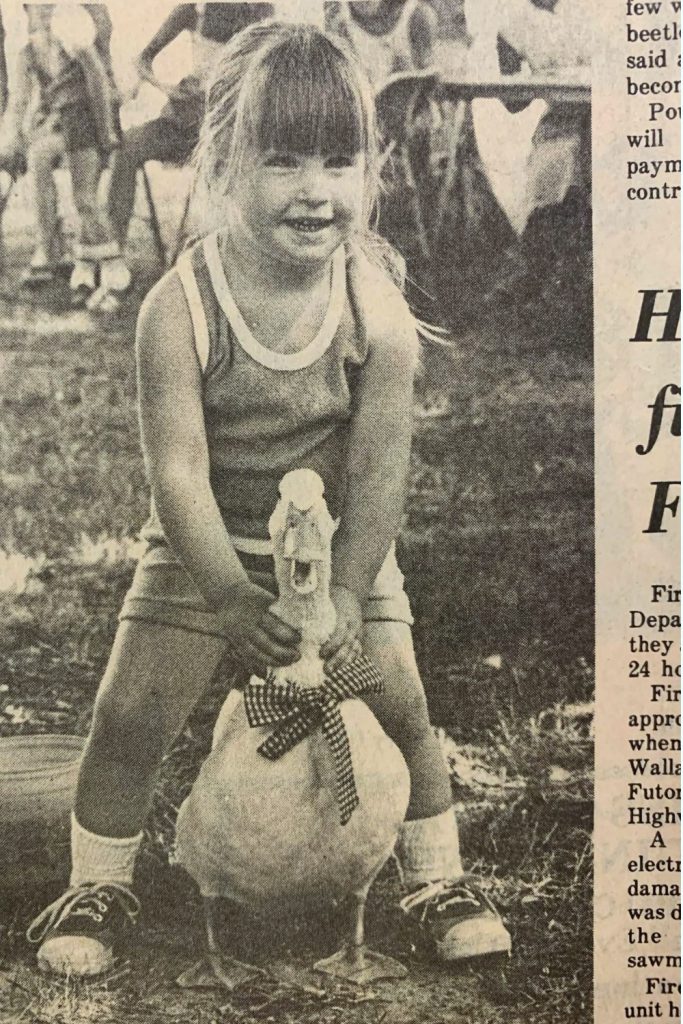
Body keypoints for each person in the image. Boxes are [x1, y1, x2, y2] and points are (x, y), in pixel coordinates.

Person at [26, 21, 511, 977]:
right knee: (127, 719)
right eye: (281, 159)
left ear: (367, 171)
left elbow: (377, 477)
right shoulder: (180, 305)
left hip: (337, 555)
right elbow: (176, 474)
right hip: (202, 546)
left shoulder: (374, 309)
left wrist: (342, 596)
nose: (314, 189)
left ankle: (435, 878)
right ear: (221, 164)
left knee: (402, 704)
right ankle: (99, 885)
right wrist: (227, 596)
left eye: (338, 160)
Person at [105, 2, 273, 289]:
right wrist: (167, 88)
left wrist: (222, 93)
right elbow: (142, 60)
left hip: (230, 125)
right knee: (128, 147)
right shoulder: (192, 11)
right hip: (184, 122)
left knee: (240, 166)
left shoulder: (261, 13)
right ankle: (113, 256)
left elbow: (268, 76)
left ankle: (235, 259)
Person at [0, 5, 129, 303]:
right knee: (40, 160)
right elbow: (18, 102)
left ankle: (113, 270)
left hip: (92, 123)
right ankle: (53, 251)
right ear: (26, 12)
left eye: (49, 5)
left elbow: (98, 81)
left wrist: (107, 131)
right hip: (64, 127)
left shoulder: (72, 32)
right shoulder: (28, 51)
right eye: (36, 8)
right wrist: (13, 135)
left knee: (84, 198)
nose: (43, 12)